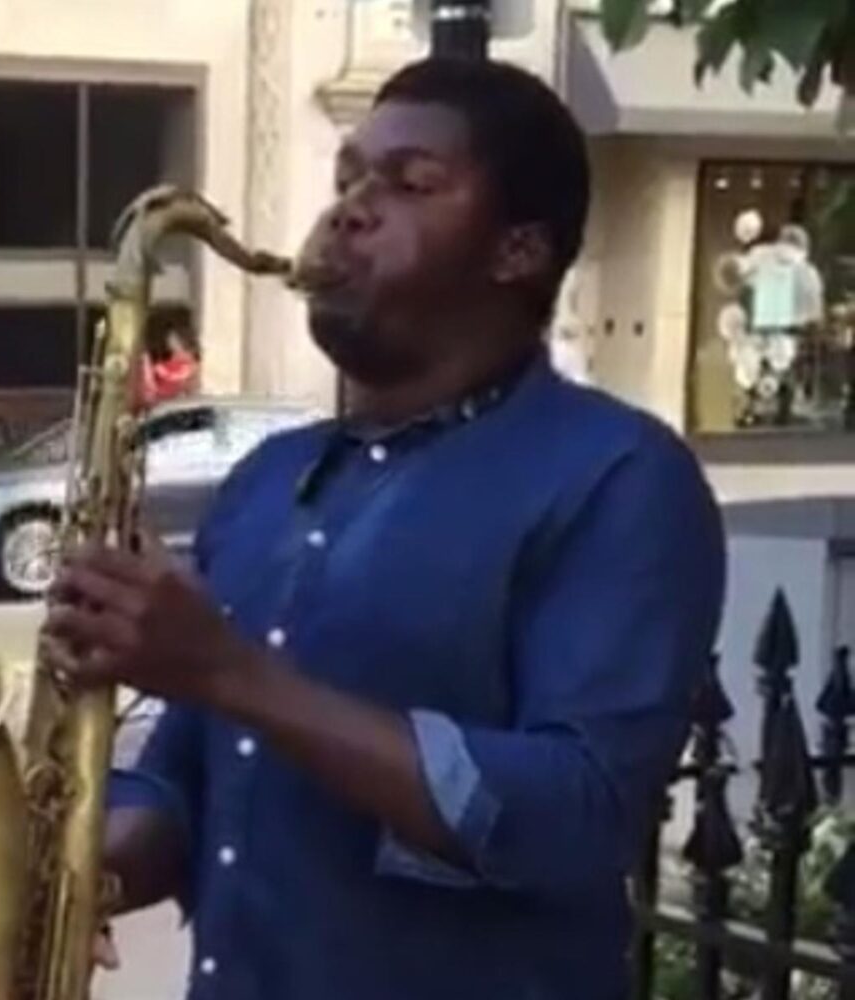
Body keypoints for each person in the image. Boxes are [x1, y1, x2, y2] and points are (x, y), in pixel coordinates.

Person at [41, 57, 725, 1000]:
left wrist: (231, 673)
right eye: (347, 178)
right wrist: (84, 872)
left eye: (409, 184)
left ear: (518, 250)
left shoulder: (620, 476)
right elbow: (189, 778)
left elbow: (579, 813)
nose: (349, 212)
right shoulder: (266, 480)